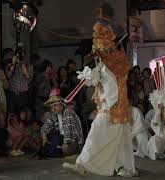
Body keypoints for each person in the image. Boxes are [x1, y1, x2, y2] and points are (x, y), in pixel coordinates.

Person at [62, 6, 137, 177]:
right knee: (120, 138)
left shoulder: (115, 60)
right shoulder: (104, 62)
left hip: (113, 107)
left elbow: (117, 81)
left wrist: (111, 105)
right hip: (111, 106)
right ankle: (127, 168)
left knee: (99, 133)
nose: (96, 41)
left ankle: (83, 164)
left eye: (99, 37)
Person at [40, 88, 84, 157]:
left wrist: (66, 143)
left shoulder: (68, 112)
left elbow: (68, 130)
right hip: (62, 138)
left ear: (61, 104)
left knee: (65, 150)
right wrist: (44, 135)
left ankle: (73, 151)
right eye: (51, 107)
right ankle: (58, 150)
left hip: (74, 141)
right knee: (47, 145)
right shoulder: (54, 114)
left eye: (55, 105)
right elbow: (47, 125)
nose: (53, 108)